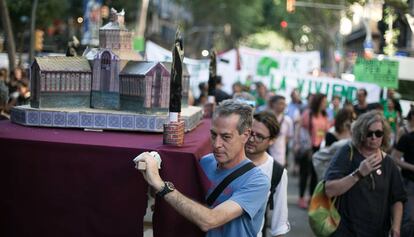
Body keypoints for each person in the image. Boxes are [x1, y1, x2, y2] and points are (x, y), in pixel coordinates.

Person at [136, 99, 270, 236]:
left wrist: (160, 185)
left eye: (226, 137)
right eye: (213, 134)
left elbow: (210, 220)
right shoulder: (205, 162)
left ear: (245, 135)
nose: (217, 144)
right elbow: (182, 200)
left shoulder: (257, 181)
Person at [325, 110, 406, 237]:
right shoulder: (347, 153)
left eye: (378, 133)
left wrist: (396, 227)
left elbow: (397, 199)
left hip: (377, 232)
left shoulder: (388, 163)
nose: (374, 137)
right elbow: (329, 190)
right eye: (369, 133)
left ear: (384, 135)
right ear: (361, 133)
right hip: (346, 231)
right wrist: (358, 174)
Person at [245, 110, 290, 237]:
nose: (251, 139)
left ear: (272, 140)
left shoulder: (277, 172)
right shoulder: (227, 157)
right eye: (250, 133)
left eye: (259, 136)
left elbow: (279, 223)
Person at [295, 93, 330, 208]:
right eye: (324, 101)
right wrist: (298, 144)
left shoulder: (325, 115)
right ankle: (301, 197)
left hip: (320, 148)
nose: (326, 104)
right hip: (308, 147)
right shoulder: (308, 113)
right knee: (304, 173)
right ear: (318, 102)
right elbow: (300, 129)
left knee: (315, 174)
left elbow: (326, 131)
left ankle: (311, 198)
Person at [391, 108, 414, 237]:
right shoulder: (406, 135)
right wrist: (411, 167)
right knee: (409, 218)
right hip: (409, 181)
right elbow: (394, 157)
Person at [267, 95, 294, 167]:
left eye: (284, 104)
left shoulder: (287, 120)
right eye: (280, 103)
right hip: (266, 152)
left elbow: (288, 137)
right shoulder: (267, 118)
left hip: (280, 155)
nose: (283, 106)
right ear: (273, 104)